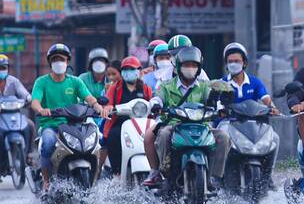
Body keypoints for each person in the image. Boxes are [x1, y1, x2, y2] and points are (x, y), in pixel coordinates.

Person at [142, 46, 230, 189]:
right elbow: (157, 98)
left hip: (201, 125)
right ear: (178, 66)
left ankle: (214, 176)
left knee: (224, 137)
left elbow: (215, 102)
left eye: (194, 65)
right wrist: (156, 105)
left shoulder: (205, 86)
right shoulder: (166, 85)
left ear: (199, 68)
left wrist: (221, 109)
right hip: (174, 125)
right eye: (186, 65)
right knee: (163, 134)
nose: (190, 68)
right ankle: (165, 169)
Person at [30, 43, 105, 192]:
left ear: (67, 62)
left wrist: (98, 107)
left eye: (62, 59)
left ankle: (96, 179)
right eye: (56, 59)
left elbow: (89, 98)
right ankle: (47, 182)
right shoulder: (42, 82)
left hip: (73, 125)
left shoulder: (75, 81)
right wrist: (41, 110)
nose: (59, 62)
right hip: (51, 125)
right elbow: (35, 102)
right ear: (50, 62)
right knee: (48, 144)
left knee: (95, 143)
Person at [0, 54, 35, 174]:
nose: (1, 71)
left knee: (30, 125)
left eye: (3, 68)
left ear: (8, 69)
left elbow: (24, 93)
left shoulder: (14, 81)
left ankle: (29, 153)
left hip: (12, 112)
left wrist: (29, 98)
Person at [101, 56, 153, 176]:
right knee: (113, 136)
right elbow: (108, 103)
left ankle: (155, 170)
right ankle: (117, 173)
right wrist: (108, 107)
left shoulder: (146, 88)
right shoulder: (116, 87)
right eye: (125, 69)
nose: (128, 72)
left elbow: (152, 103)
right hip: (121, 123)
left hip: (142, 124)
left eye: (131, 69)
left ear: (139, 71)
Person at [220, 42, 277, 113]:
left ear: (244, 63)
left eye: (237, 61)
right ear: (226, 64)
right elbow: (215, 106)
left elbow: (266, 99)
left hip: (252, 122)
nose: (233, 64)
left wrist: (273, 108)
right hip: (227, 123)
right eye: (230, 62)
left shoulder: (255, 82)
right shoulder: (221, 84)